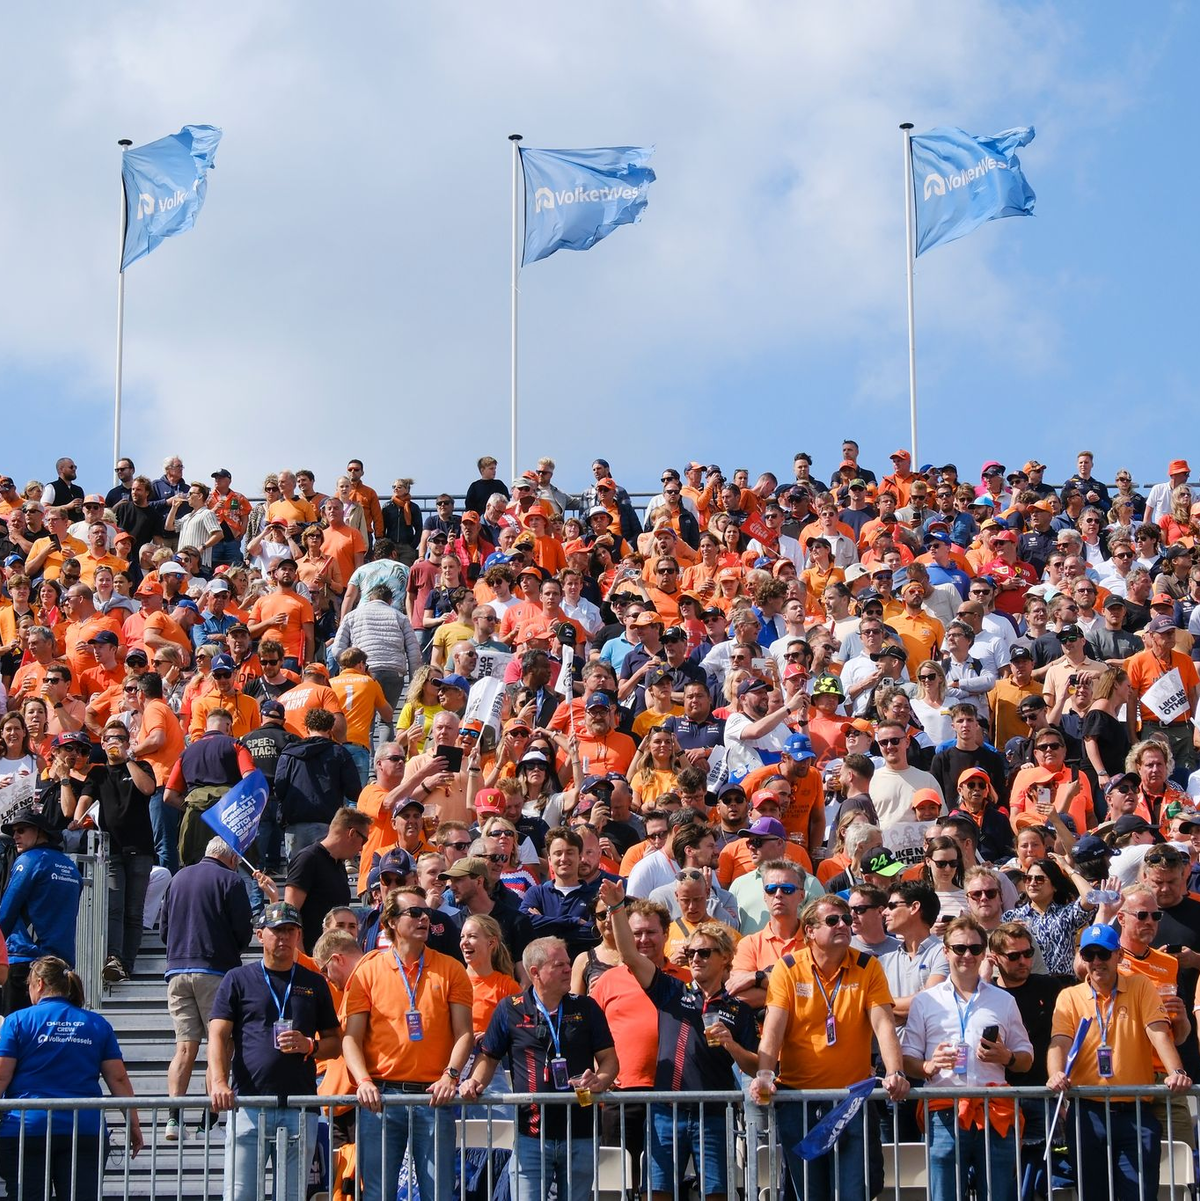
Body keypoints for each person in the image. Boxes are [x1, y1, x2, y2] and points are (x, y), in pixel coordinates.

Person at [599, 878, 758, 1201]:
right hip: (665, 1111)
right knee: (658, 1194)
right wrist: (617, 907)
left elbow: (756, 1066)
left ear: (724, 958)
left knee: (716, 1194)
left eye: (704, 953)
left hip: (713, 1112)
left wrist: (731, 1044)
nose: (695, 958)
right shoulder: (671, 991)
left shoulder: (738, 1009)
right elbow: (629, 955)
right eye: (691, 952)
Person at [750, 894, 909, 1200]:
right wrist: (765, 1074)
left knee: (854, 1193)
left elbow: (884, 1025)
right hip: (800, 1100)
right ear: (809, 930)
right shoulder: (787, 968)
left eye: (847, 920)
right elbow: (773, 1028)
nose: (843, 925)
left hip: (853, 1099)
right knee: (810, 1193)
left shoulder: (867, 965)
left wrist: (895, 1071)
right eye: (833, 920)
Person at [342, 886, 475, 1201]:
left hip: (434, 1098)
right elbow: (351, 1038)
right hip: (381, 1100)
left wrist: (451, 1076)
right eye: (414, 913)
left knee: (439, 1194)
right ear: (390, 922)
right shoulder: (368, 969)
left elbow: (465, 1034)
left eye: (426, 913)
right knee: (377, 1194)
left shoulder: (452, 968)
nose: (423, 919)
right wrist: (362, 1081)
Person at [1048, 923, 1191, 1201]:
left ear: (1119, 956)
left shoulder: (1139, 985)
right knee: (1093, 1194)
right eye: (1089, 955)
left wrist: (1176, 1071)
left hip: (1135, 1113)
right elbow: (1059, 1042)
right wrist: (1055, 1073)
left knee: (1139, 1194)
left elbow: (1158, 1032)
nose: (1096, 962)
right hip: (1087, 1113)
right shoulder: (1069, 996)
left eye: (1103, 954)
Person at [207, 902, 340, 1201]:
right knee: (240, 1195)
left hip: (299, 1104)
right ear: (259, 935)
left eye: (290, 931)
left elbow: (335, 1040)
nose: (283, 937)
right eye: (276, 931)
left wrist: (311, 1046)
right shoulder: (238, 979)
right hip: (250, 1104)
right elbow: (217, 1034)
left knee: (290, 1196)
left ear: (298, 936)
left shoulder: (314, 982)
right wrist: (218, 1082)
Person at [901, 915, 1034, 1201]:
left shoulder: (1004, 1000)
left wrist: (1007, 1057)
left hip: (994, 1109)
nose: (967, 955)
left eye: (975, 949)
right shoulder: (926, 1001)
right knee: (944, 1195)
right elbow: (907, 1058)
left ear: (985, 952)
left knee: (999, 1194)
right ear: (946, 951)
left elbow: (1026, 1058)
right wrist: (928, 1065)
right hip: (944, 1109)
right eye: (960, 948)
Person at [0, 955, 142, 1200]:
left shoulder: (17, 1021)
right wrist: (134, 1124)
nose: (29, 992)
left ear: (40, 984)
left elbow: (2, 1075)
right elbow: (117, 1079)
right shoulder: (97, 1024)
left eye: (29, 986)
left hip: (27, 1129)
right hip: (84, 1129)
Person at [161, 837, 256, 1140]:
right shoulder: (231, 881)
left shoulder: (177, 879)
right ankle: (209, 1121)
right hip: (215, 970)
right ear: (231, 859)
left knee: (185, 1047)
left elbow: (163, 929)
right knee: (220, 1044)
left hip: (176, 970)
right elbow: (243, 931)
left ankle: (173, 1120)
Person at [0, 807, 82, 1012]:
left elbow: (5, 914)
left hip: (26, 963)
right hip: (60, 967)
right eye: (13, 832)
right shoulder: (71, 866)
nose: (15, 836)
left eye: (21, 830)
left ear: (40, 832)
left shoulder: (29, 860)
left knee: (17, 1035)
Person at [284, 807, 372, 952]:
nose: (362, 848)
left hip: (333, 956)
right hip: (310, 956)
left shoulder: (338, 865)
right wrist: (301, 959)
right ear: (351, 833)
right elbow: (290, 912)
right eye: (363, 841)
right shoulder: (308, 859)